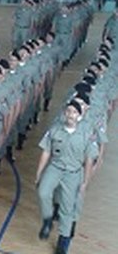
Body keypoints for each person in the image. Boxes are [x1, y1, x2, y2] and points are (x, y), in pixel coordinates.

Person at [35, 100, 95, 254]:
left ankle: (63, 242)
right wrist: (39, 172)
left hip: (73, 173)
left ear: (79, 116)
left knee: (67, 209)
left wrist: (85, 182)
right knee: (43, 192)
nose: (70, 115)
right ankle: (48, 220)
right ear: (64, 113)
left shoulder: (86, 134)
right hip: (55, 167)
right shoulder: (55, 130)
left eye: (74, 112)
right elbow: (46, 152)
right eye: (68, 111)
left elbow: (89, 160)